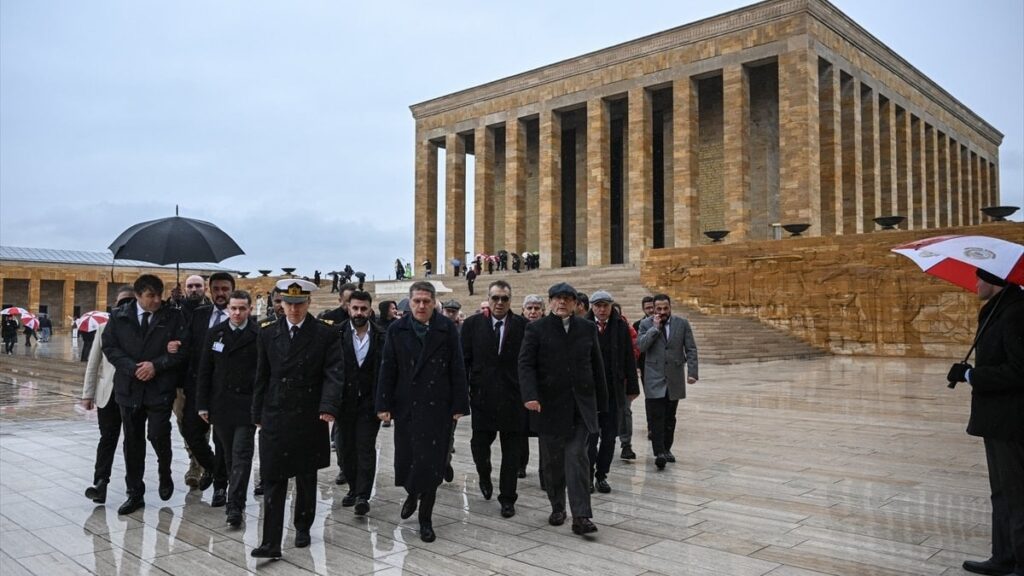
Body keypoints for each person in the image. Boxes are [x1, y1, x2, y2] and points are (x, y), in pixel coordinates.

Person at [250, 279, 343, 559]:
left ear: (308, 303)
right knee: (273, 476)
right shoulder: (268, 332)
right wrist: (257, 412)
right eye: (288, 303)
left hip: (308, 411)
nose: (293, 309)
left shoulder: (325, 333)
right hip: (276, 410)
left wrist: (328, 406)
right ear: (281, 303)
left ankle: (303, 525)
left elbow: (334, 373)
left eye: (299, 303)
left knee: (305, 475)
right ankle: (270, 542)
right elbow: (261, 374)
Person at [377, 281, 469, 543]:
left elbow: (457, 366)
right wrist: (383, 404)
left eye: (426, 301)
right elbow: (388, 367)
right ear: (410, 302)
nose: (421, 306)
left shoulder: (446, 328)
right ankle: (412, 492)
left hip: (437, 406)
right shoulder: (397, 329)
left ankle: (425, 519)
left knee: (431, 463)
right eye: (416, 301)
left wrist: (459, 404)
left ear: (434, 303)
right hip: (407, 405)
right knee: (409, 458)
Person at [949, 270, 1024, 576]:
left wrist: (971, 375)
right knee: (1002, 492)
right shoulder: (999, 309)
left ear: (994, 281)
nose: (976, 285)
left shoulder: (1015, 313)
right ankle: (1003, 556)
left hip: (1011, 420)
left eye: (979, 279)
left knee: (1017, 493)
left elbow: (1020, 370)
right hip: (997, 419)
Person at [519, 282, 607, 536]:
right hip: (549, 407)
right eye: (557, 299)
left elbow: (596, 365)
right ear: (550, 302)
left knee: (577, 457)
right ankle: (557, 506)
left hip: (580, 406)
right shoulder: (536, 329)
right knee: (553, 462)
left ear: (575, 304)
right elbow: (525, 364)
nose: (562, 303)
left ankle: (581, 516)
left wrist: (602, 403)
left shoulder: (586, 329)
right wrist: (530, 395)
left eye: (567, 299)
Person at [102, 274, 189, 515]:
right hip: (129, 388)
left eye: (159, 295)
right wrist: (133, 368)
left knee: (158, 434)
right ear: (138, 296)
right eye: (151, 296)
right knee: (132, 442)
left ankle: (164, 471)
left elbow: (183, 351)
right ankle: (134, 493)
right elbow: (110, 347)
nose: (157, 300)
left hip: (159, 387)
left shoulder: (173, 316)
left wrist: (156, 365)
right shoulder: (119, 317)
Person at [462, 280, 528, 518]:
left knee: (512, 451)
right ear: (488, 299)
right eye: (495, 298)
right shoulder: (472, 325)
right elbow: (464, 362)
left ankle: (508, 498)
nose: (499, 302)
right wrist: (463, 393)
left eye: (504, 298)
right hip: (483, 397)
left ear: (511, 301)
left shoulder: (523, 326)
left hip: (513, 398)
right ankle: (484, 474)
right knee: (479, 445)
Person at [196, 289, 259, 527]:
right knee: (229, 454)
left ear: (249, 309)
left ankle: (235, 506)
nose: (237, 313)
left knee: (242, 454)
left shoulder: (258, 334)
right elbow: (205, 370)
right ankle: (233, 494)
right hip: (221, 405)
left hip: (246, 405)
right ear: (228, 309)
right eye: (233, 308)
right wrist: (202, 404)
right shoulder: (216, 333)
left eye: (242, 308)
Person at [182, 271, 235, 503]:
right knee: (191, 432)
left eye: (225, 289)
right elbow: (189, 344)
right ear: (209, 290)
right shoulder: (199, 314)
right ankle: (213, 467)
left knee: (221, 440)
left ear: (232, 290)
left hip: (226, 389)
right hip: (198, 385)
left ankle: (221, 486)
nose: (220, 293)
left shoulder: (238, 315)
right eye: (216, 289)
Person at [81, 285, 135, 505]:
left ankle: (133, 486)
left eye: (130, 301)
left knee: (132, 441)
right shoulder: (104, 328)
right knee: (107, 439)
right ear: (115, 305)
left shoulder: (143, 328)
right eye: (122, 302)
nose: (126, 306)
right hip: (108, 394)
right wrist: (88, 394)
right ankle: (100, 482)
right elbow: (93, 364)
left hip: (132, 393)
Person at [335, 290, 385, 516]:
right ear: (348, 308)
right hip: (344, 402)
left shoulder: (381, 335)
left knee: (365, 446)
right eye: (355, 308)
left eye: (363, 309)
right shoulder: (336, 334)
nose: (359, 313)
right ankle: (354, 488)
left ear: (370, 310)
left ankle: (363, 495)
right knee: (345, 448)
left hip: (369, 402)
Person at [584, 291, 638, 493]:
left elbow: (629, 357)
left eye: (605, 305)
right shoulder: (583, 326)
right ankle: (587, 474)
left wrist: (632, 387)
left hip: (613, 391)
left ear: (611, 306)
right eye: (598, 305)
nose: (602, 309)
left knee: (609, 436)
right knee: (590, 437)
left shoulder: (620, 326)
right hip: (590, 392)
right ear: (592, 307)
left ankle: (602, 475)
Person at [636, 293, 698, 470]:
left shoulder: (682, 324)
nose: (662, 312)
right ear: (654, 309)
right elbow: (641, 346)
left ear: (670, 307)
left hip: (674, 376)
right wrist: (654, 329)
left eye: (665, 308)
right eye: (659, 309)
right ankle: (659, 453)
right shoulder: (645, 324)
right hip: (653, 377)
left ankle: (667, 448)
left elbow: (691, 348)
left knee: (670, 417)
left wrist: (692, 372)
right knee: (656, 416)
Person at [623, 296, 655, 461]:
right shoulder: (638, 325)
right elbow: (637, 348)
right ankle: (651, 426)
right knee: (650, 397)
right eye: (647, 308)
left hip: (660, 368)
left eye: (652, 307)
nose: (650, 310)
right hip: (644, 367)